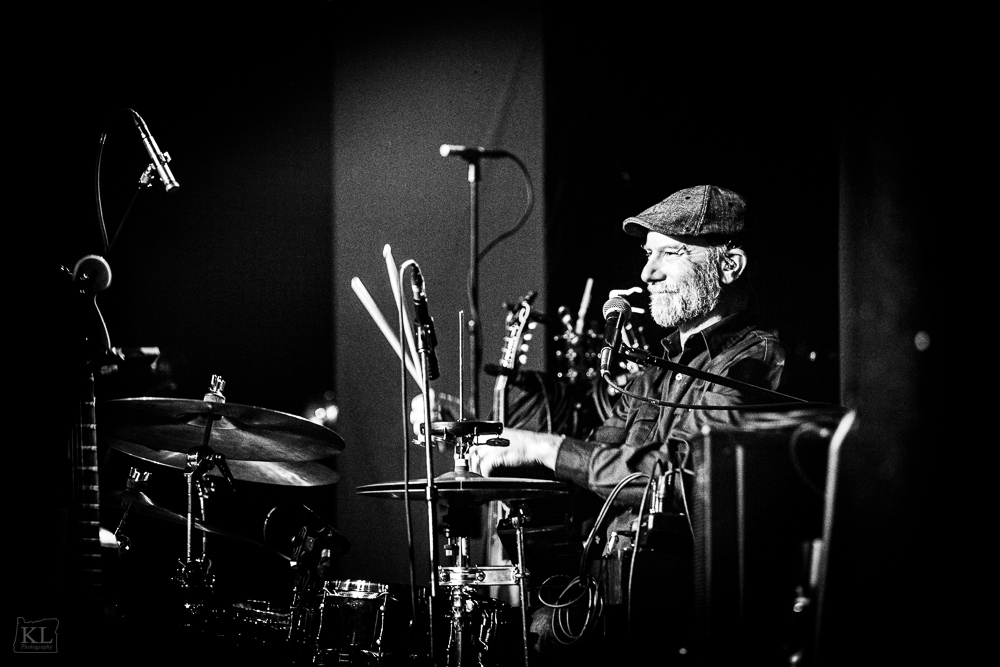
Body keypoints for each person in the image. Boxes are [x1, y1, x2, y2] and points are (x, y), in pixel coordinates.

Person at [469, 184, 786, 657]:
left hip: (675, 613)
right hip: (608, 592)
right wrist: (485, 437)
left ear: (729, 265)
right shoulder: (654, 371)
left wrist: (544, 448)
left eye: (669, 254)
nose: (647, 272)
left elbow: (684, 476)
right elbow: (599, 455)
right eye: (647, 254)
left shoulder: (750, 360)